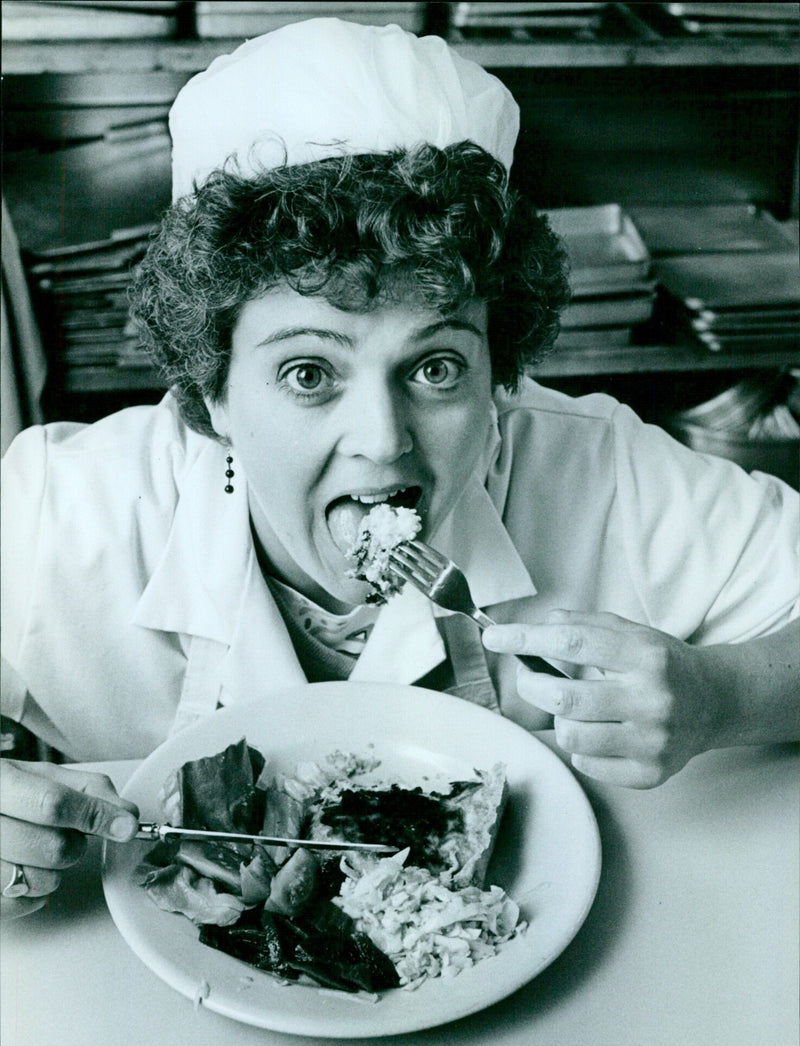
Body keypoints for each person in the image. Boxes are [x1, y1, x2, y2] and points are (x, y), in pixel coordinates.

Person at [1, 18, 797, 920]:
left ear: (500, 370)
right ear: (212, 388)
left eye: (436, 366)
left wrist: (722, 694)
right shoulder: (60, 511)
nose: (383, 441)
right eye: (309, 373)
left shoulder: (604, 474)